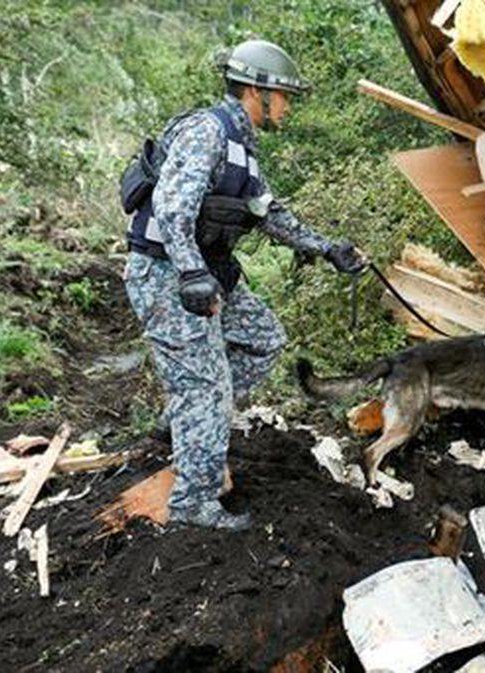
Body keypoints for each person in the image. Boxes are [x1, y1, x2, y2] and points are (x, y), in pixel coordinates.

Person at [123, 39, 364, 530]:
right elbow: (171, 206)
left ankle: (185, 421)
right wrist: (191, 273)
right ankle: (193, 503)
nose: (289, 107)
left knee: (262, 339)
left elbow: (270, 215)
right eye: (286, 97)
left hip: (204, 275)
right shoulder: (207, 131)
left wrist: (325, 248)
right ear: (259, 92)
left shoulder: (244, 149)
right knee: (206, 384)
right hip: (167, 276)